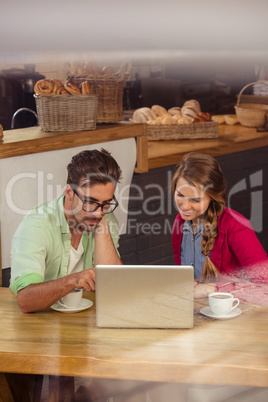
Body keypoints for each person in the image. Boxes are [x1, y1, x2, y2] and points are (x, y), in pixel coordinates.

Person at [10, 148, 123, 313]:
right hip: (38, 328)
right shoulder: (37, 225)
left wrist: (100, 222)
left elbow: (114, 287)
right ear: (70, 192)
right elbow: (26, 301)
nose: (99, 212)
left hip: (85, 325)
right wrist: (72, 281)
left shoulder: (103, 217)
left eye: (106, 203)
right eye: (91, 201)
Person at [171, 152, 267, 297]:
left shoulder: (235, 226)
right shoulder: (180, 222)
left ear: (213, 197)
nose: (184, 206)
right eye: (180, 195)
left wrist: (213, 289)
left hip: (234, 312)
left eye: (195, 200)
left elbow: (264, 284)